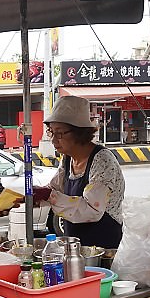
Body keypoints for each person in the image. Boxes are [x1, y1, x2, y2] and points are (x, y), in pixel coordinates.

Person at [41, 95, 126, 248]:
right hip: (76, 245)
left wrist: (48, 195)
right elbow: (53, 189)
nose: (53, 140)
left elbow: (91, 210)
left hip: (103, 247)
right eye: (51, 132)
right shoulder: (68, 159)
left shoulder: (103, 161)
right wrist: (28, 197)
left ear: (79, 132)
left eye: (59, 133)